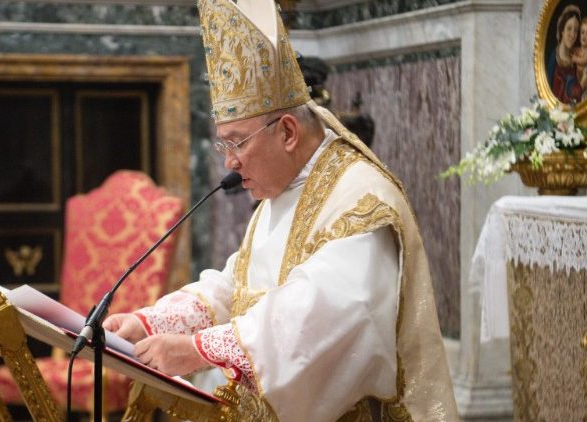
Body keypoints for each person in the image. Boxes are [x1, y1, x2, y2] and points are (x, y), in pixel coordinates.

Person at [103, 0, 458, 420]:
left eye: (236, 143)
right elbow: (238, 286)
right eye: (222, 144)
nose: (228, 163)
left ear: (288, 132)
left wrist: (198, 349)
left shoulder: (361, 199)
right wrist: (154, 323)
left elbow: (323, 320)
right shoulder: (287, 186)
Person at [549, 5, 582, 103]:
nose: (573, 35)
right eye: (569, 29)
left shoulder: (577, 59)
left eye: (576, 30)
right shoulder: (554, 59)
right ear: (562, 30)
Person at [573, 16, 587, 101]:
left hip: (586, 79)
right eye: (582, 32)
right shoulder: (577, 49)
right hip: (577, 77)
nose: (584, 36)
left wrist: (575, 59)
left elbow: (585, 61)